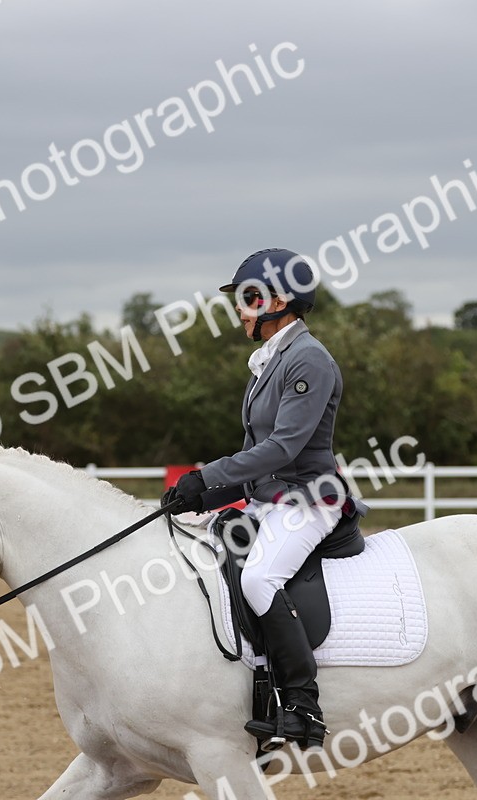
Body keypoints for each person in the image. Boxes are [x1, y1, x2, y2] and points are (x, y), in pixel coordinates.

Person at [163, 248, 346, 749]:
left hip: (308, 501)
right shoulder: (270, 360)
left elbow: (283, 449)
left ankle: (302, 704)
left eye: (248, 299)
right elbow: (255, 457)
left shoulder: (308, 358)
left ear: (280, 301)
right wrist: (205, 496)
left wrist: (206, 475)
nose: (240, 310)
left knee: (260, 578)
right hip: (270, 499)